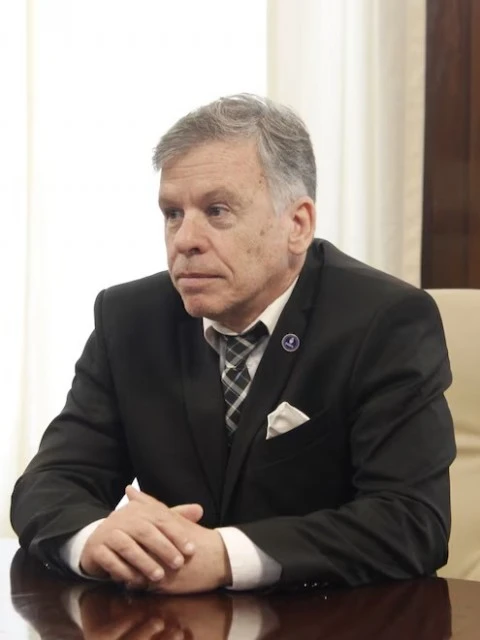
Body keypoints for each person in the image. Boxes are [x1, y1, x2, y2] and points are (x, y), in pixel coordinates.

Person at [11, 94, 456, 594]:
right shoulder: (129, 319)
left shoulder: (384, 321)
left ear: (297, 225)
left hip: (332, 617)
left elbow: (410, 521)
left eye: (216, 210)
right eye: (172, 213)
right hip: (170, 620)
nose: (185, 239)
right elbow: (50, 482)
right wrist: (93, 538)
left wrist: (225, 555)